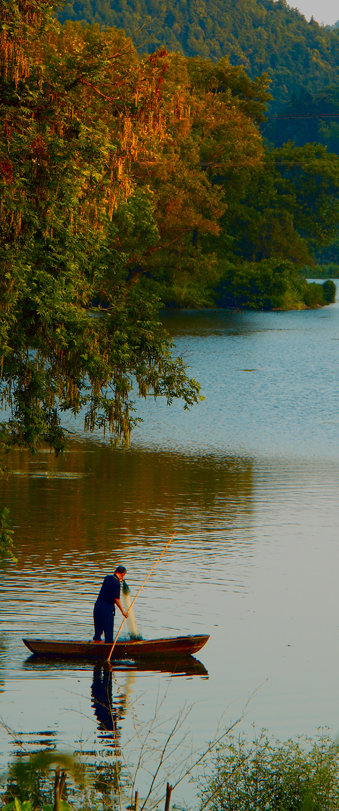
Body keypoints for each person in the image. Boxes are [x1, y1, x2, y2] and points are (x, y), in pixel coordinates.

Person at [93, 565, 128, 643]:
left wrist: (120, 581)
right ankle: (108, 648)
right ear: (122, 574)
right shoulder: (117, 583)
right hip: (107, 609)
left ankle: (96, 644)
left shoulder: (107, 578)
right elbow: (116, 599)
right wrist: (123, 611)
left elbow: (111, 584)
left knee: (98, 631)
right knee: (108, 632)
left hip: (97, 606)